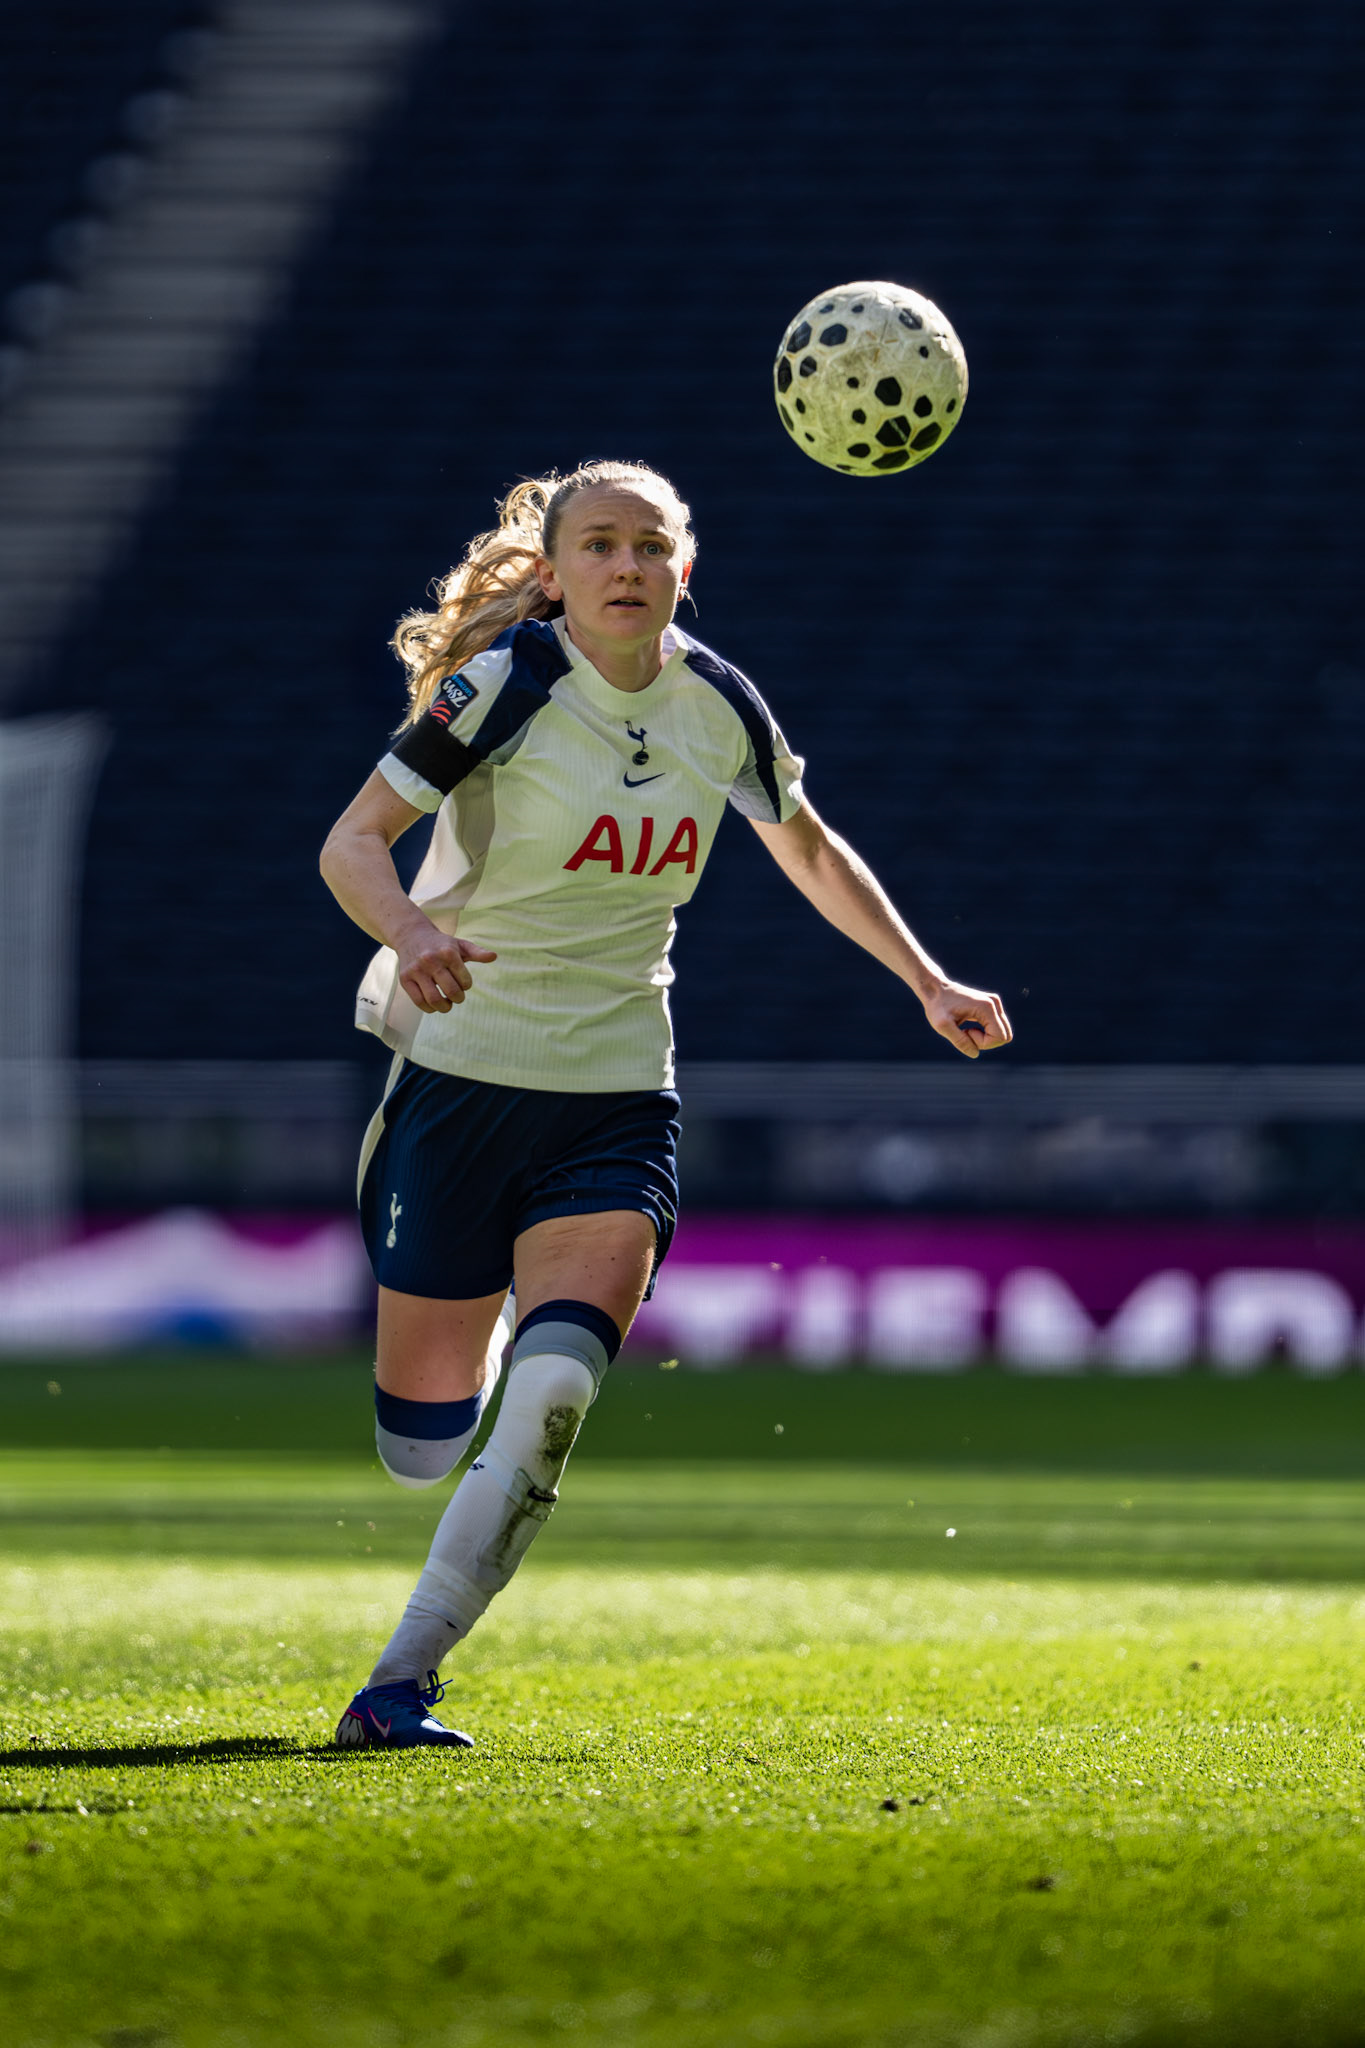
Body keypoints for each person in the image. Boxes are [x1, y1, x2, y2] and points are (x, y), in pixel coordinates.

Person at [319, 458, 1012, 1748]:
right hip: (460, 1084)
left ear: (685, 568)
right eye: (598, 545)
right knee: (423, 1439)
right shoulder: (505, 685)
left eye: (650, 546)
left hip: (617, 1095)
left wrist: (927, 980)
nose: (626, 566)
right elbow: (350, 843)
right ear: (555, 572)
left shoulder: (719, 703)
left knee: (554, 1400)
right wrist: (413, 933)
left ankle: (397, 1683)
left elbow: (808, 845)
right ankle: (472, 1346)